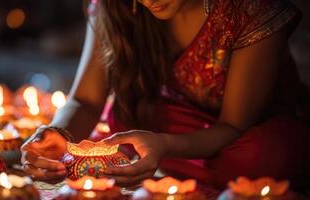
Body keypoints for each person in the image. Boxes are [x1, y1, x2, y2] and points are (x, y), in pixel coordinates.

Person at [21, 0, 310, 190]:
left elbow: (233, 126)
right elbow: (86, 100)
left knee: (258, 157)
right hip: (173, 127)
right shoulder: (118, 6)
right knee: (125, 118)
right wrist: (57, 133)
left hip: (239, 138)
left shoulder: (248, 9)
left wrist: (164, 145)